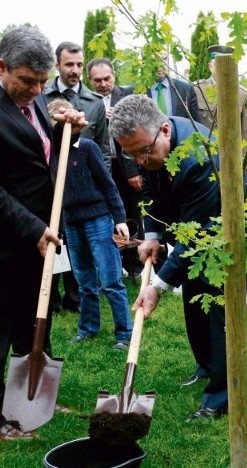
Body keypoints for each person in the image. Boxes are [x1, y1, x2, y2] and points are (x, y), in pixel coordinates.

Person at [109, 94, 247, 420]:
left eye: (143, 151)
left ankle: (221, 396)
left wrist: (157, 287)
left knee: (219, 306)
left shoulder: (198, 159)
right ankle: (206, 366)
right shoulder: (149, 148)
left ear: (164, 130)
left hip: (230, 230)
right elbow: (152, 191)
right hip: (197, 227)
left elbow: (200, 236)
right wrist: (152, 236)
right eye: (130, 154)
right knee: (194, 295)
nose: (139, 160)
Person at [0, 26, 87, 440]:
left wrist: (69, 131)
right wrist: (33, 227)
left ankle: (33, 396)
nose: (36, 90)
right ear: (2, 67)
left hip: (41, 238)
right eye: (27, 81)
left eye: (41, 81)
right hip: (9, 238)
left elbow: (40, 158)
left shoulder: (31, 103)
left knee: (35, 319)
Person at [47, 98, 133, 350]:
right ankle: (88, 329)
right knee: (85, 282)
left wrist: (119, 219)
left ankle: (124, 334)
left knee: (110, 281)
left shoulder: (87, 148)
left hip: (98, 219)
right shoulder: (51, 154)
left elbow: (108, 184)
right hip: (72, 223)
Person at [45, 41, 112, 313]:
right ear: (57, 65)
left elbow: (104, 149)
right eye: (69, 64)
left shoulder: (93, 104)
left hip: (83, 190)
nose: (74, 70)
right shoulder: (42, 98)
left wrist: (102, 186)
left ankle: (77, 299)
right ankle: (51, 299)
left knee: (78, 243)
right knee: (54, 236)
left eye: (79, 65)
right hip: (50, 183)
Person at [87, 57, 143, 236]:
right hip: (102, 165)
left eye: (107, 79)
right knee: (112, 212)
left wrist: (133, 170)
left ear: (114, 76)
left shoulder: (129, 95)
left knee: (134, 211)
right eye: (97, 80)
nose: (103, 84)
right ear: (90, 80)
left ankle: (138, 255)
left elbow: (138, 132)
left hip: (126, 165)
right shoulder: (88, 101)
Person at [194, 45, 247, 151]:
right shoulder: (197, 90)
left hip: (231, 156)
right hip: (206, 154)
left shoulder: (241, 94)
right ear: (210, 66)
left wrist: (244, 164)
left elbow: (246, 133)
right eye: (218, 63)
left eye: (228, 64)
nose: (223, 67)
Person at [148, 52, 204, 125]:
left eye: (164, 59)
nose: (160, 65)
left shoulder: (186, 90)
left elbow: (197, 125)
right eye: (154, 60)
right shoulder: (132, 92)